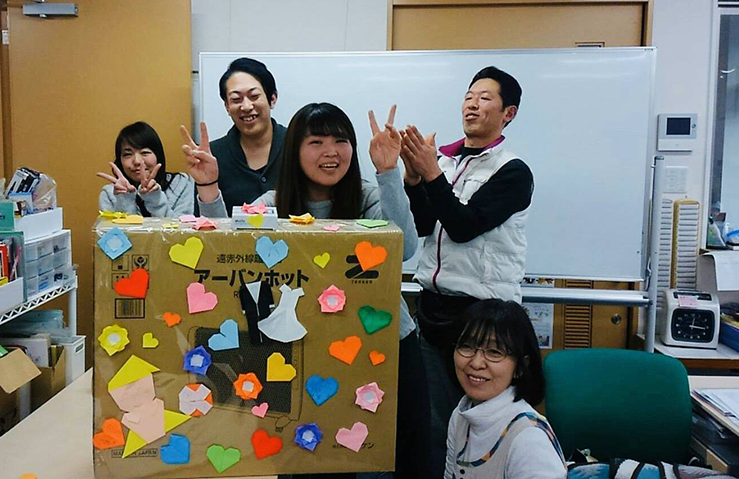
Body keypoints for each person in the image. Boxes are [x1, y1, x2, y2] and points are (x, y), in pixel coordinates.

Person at [182, 102, 429, 479]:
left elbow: (405, 248)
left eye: (341, 141)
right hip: (305, 349)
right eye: (316, 142)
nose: (331, 152)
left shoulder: (367, 196)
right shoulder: (272, 205)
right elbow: (226, 254)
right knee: (308, 455)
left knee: (402, 453)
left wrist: (388, 172)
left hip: (384, 343)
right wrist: (208, 187)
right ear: (294, 150)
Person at [398, 66, 534, 476]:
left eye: (485, 98)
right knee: (433, 421)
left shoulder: (513, 171)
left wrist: (431, 174)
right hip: (433, 307)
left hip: (481, 314)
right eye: (469, 96)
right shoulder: (447, 160)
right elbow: (425, 225)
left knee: (480, 421)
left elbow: (464, 226)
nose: (472, 104)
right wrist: (412, 180)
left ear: (508, 113)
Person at [446, 299, 566, 479]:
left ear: (520, 365)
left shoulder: (529, 438)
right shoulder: (461, 415)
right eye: (466, 347)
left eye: (494, 352)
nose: (476, 363)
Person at [208, 57, 287, 214]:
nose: (246, 106)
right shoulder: (213, 154)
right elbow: (205, 221)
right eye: (236, 99)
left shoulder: (298, 145)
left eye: (254, 96)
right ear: (227, 106)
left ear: (272, 99)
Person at [97, 121, 194, 217]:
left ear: (158, 155)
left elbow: (182, 226)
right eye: (128, 154)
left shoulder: (180, 184)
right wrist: (125, 200)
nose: (137, 161)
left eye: (145, 152)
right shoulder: (110, 194)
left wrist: (155, 200)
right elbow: (114, 228)